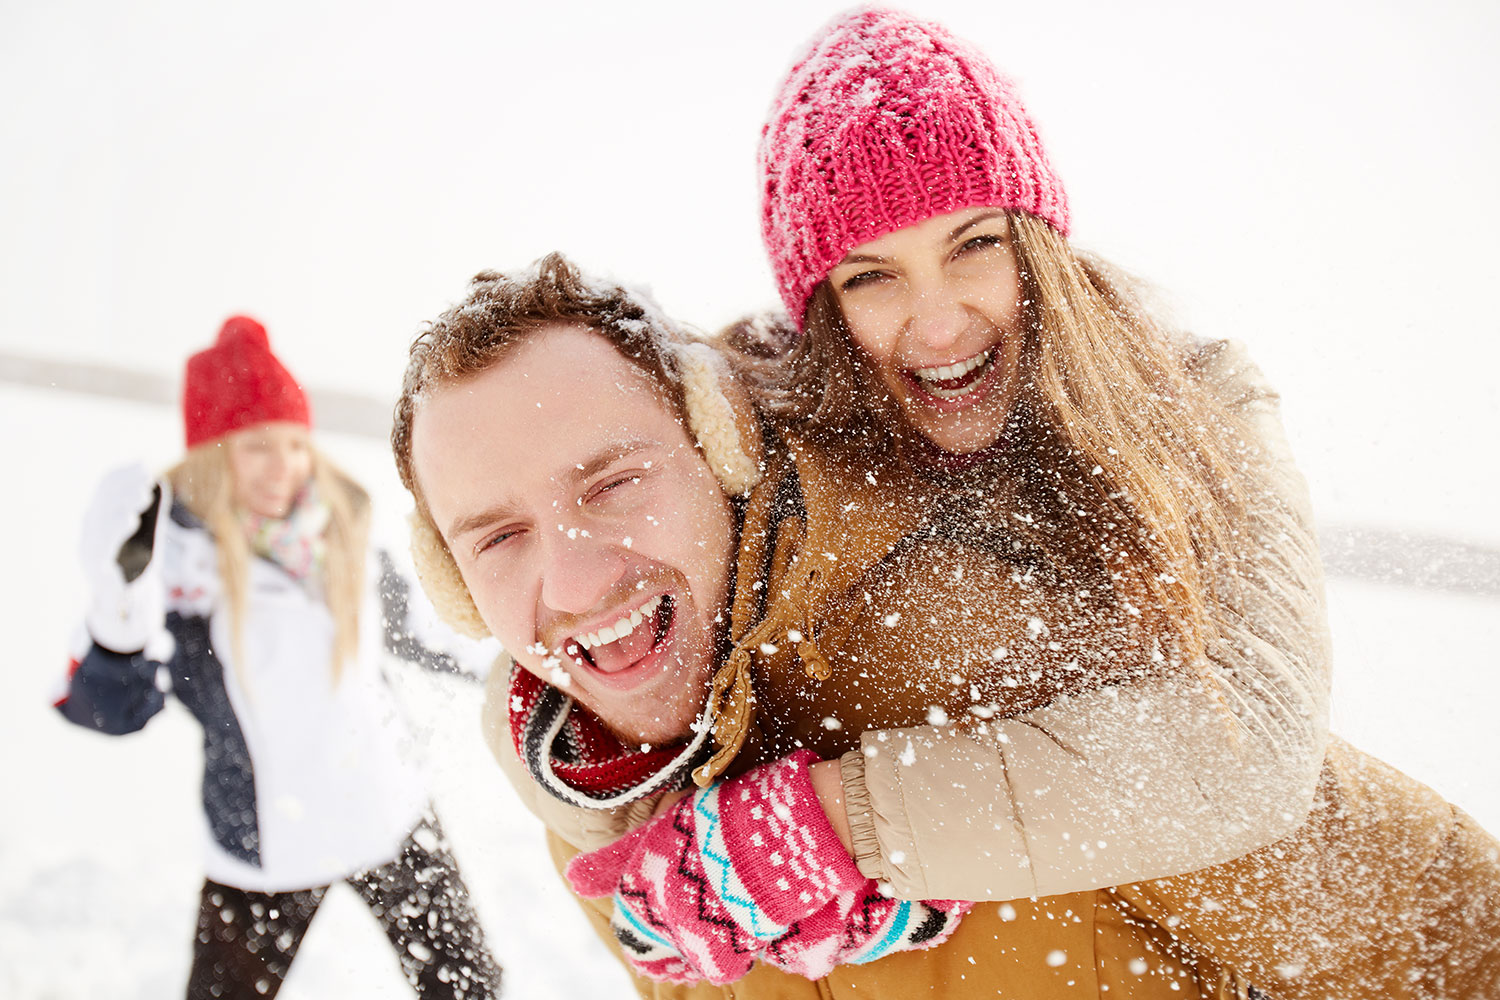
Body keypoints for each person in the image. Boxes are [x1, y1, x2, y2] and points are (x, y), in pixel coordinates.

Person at [56, 316, 502, 999]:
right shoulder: (177, 576)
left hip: (390, 811)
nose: (283, 467)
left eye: (295, 444)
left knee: (471, 989)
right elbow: (112, 708)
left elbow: (430, 633)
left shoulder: (341, 534)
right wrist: (119, 605)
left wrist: (526, 660)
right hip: (269, 846)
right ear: (212, 454)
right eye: (257, 446)